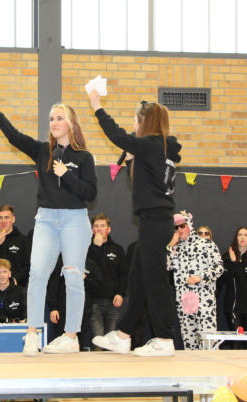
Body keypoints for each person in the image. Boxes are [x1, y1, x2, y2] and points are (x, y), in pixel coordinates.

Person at [0, 94, 96, 355]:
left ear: (71, 123)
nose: (54, 122)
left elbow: (90, 193)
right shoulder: (42, 151)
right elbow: (13, 136)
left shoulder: (84, 157)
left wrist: (67, 175)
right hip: (46, 219)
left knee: (73, 276)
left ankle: (71, 336)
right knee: (37, 273)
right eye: (51, 119)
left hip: (74, 219)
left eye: (59, 118)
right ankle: (32, 334)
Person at [88, 91, 181, 356]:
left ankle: (164, 338)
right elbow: (144, 185)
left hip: (155, 220)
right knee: (138, 281)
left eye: (135, 120)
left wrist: (97, 106)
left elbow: (118, 136)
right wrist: (131, 160)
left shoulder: (151, 145)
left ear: (145, 122)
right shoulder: (161, 149)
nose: (133, 125)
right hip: (154, 221)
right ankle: (123, 334)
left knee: (155, 281)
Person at [167, 211, 224, 350]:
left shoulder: (206, 244)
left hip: (204, 298)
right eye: (176, 227)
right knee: (189, 342)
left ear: (190, 225)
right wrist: (171, 246)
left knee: (208, 340)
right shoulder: (175, 248)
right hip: (184, 300)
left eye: (182, 226)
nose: (179, 229)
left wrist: (201, 278)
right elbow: (167, 266)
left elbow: (219, 267)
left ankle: (211, 364)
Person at [47, 255, 104, 350]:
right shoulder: (61, 262)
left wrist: (85, 279)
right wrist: (53, 308)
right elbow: (53, 285)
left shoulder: (91, 264)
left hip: (83, 313)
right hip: (63, 312)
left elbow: (99, 287)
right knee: (60, 345)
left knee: (79, 346)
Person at [87, 213, 129, 344]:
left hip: (113, 302)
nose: (99, 229)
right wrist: (96, 247)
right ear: (92, 230)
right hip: (93, 303)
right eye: (96, 226)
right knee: (97, 342)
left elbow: (124, 275)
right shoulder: (87, 249)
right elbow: (88, 270)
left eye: (102, 226)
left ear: (108, 229)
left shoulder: (117, 249)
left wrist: (120, 293)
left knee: (112, 343)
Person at [221, 227, 247, 347]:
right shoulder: (228, 256)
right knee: (236, 342)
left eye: (246, 235)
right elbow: (227, 280)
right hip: (233, 306)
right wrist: (233, 263)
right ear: (236, 238)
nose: (243, 237)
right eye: (240, 234)